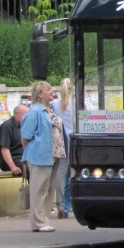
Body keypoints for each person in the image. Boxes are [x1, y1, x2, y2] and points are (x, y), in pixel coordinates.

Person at [21, 80, 61, 232]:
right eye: (48, 90)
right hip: (39, 154)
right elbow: (26, 136)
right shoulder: (34, 112)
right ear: (39, 94)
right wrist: (32, 153)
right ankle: (38, 222)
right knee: (38, 189)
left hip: (53, 154)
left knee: (49, 189)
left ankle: (45, 219)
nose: (52, 91)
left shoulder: (50, 110)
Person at [50, 79, 74, 218]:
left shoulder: (54, 104)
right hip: (75, 141)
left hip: (60, 141)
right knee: (73, 175)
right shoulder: (78, 102)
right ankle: (70, 204)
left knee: (61, 174)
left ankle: (61, 207)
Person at [0, 105, 28, 176]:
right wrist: (13, 167)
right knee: (29, 168)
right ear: (16, 114)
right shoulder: (7, 126)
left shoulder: (25, 126)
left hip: (24, 158)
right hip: (13, 159)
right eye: (26, 115)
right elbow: (4, 148)